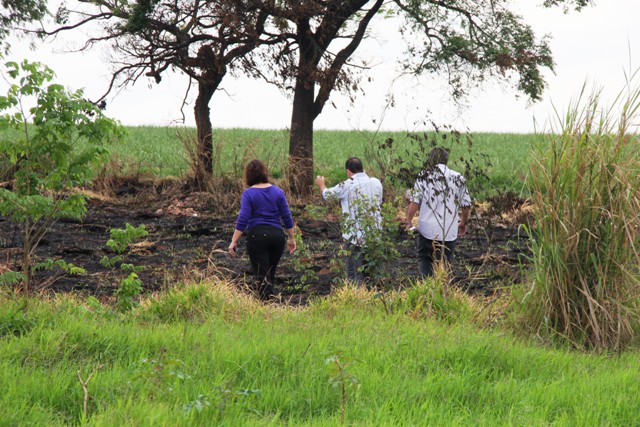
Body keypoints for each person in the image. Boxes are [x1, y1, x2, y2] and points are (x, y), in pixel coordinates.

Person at [229, 159, 296, 299]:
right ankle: (270, 302)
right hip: (277, 236)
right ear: (265, 173)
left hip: (257, 236)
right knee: (270, 272)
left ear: (248, 175)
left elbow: (243, 218)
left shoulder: (248, 194)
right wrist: (291, 238)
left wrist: (234, 241)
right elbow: (287, 217)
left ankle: (266, 306)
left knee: (262, 274)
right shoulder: (278, 192)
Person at [405, 147, 471, 278]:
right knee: (445, 264)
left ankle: (427, 287)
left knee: (425, 259)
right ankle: (443, 290)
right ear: (446, 160)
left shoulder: (424, 176)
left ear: (430, 160)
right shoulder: (458, 177)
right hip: (449, 231)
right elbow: (466, 205)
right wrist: (463, 222)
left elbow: (415, 202)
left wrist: (408, 220)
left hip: (426, 231)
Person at [315, 157, 383, 283]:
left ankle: (356, 296)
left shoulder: (346, 184)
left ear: (348, 172)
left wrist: (321, 184)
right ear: (363, 169)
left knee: (354, 274)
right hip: (374, 234)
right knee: (371, 272)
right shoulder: (376, 182)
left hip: (354, 236)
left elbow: (328, 195)